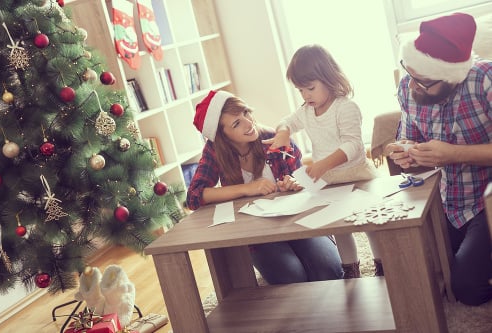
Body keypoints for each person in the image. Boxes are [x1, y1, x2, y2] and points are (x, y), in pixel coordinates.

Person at [385, 12, 492, 306]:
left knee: (467, 289)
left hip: (486, 200)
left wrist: (454, 153)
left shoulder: (485, 79)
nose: (413, 86)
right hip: (445, 201)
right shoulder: (410, 85)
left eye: (423, 82)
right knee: (422, 273)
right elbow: (406, 137)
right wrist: (405, 151)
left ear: (451, 77)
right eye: (411, 76)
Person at [186, 90, 343, 284]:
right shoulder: (214, 152)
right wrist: (247, 188)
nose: (248, 123)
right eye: (236, 123)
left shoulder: (273, 137)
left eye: (246, 113)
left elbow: (303, 178)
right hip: (257, 234)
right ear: (222, 136)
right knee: (292, 277)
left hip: (298, 221)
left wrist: (295, 183)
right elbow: (194, 196)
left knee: (328, 270)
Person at [264, 44, 382, 278]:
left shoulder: (346, 107)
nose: (306, 95)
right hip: (328, 181)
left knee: (369, 224)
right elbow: (287, 120)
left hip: (356, 174)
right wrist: (284, 131)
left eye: (310, 88)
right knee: (339, 226)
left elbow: (354, 145)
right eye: (300, 90)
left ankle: (382, 263)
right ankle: (350, 268)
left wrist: (323, 165)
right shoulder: (306, 110)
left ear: (329, 78)